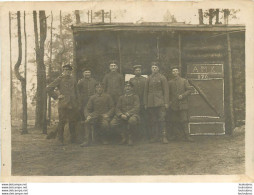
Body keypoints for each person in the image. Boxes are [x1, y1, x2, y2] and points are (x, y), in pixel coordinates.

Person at [47, 64, 80, 145]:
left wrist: (78, 102)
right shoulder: (59, 79)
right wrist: (57, 96)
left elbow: (77, 92)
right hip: (63, 104)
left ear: (70, 71)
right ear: (63, 71)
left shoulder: (73, 80)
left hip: (72, 104)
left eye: (68, 70)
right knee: (62, 121)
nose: (67, 72)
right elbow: (48, 88)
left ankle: (73, 140)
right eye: (65, 70)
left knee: (72, 121)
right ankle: (60, 139)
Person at [144, 62, 169, 144]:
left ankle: (164, 137)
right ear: (151, 69)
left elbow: (166, 91)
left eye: (155, 67)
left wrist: (166, 102)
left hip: (160, 101)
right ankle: (155, 137)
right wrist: (146, 103)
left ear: (158, 69)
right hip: (151, 102)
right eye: (153, 67)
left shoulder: (162, 78)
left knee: (162, 119)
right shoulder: (148, 78)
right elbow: (146, 91)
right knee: (153, 120)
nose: (154, 69)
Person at [168, 66, 194, 142]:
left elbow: (189, 90)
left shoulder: (184, 81)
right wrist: (170, 102)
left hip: (183, 104)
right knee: (174, 120)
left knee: (184, 120)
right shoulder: (170, 82)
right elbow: (168, 94)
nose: (175, 72)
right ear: (172, 73)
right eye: (173, 71)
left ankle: (187, 136)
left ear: (178, 72)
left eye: (176, 71)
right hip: (174, 104)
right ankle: (176, 136)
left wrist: (183, 95)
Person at [110, 81, 140, 146]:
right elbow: (117, 108)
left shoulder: (135, 97)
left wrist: (128, 113)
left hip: (132, 114)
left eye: (129, 86)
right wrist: (121, 115)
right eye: (126, 86)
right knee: (112, 124)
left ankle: (130, 138)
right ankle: (124, 137)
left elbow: (136, 107)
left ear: (132, 88)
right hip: (122, 115)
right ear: (124, 88)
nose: (127, 88)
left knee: (132, 121)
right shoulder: (121, 97)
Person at [129, 65, 147, 141]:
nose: (138, 71)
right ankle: (135, 136)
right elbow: (129, 91)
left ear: (141, 71)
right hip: (134, 102)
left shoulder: (145, 79)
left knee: (143, 118)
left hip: (143, 102)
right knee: (134, 118)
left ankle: (144, 136)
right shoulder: (131, 80)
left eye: (139, 70)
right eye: (136, 70)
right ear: (134, 72)